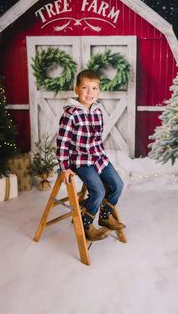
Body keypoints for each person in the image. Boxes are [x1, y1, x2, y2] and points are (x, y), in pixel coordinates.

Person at [56, 69, 125, 241]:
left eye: (94, 88)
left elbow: (97, 139)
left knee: (117, 184)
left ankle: (104, 215)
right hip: (81, 160)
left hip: (98, 157)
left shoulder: (97, 111)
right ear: (76, 89)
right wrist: (64, 168)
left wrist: (101, 158)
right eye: (85, 88)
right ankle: (86, 224)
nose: (89, 92)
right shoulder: (70, 114)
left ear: (99, 91)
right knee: (99, 191)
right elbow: (62, 143)